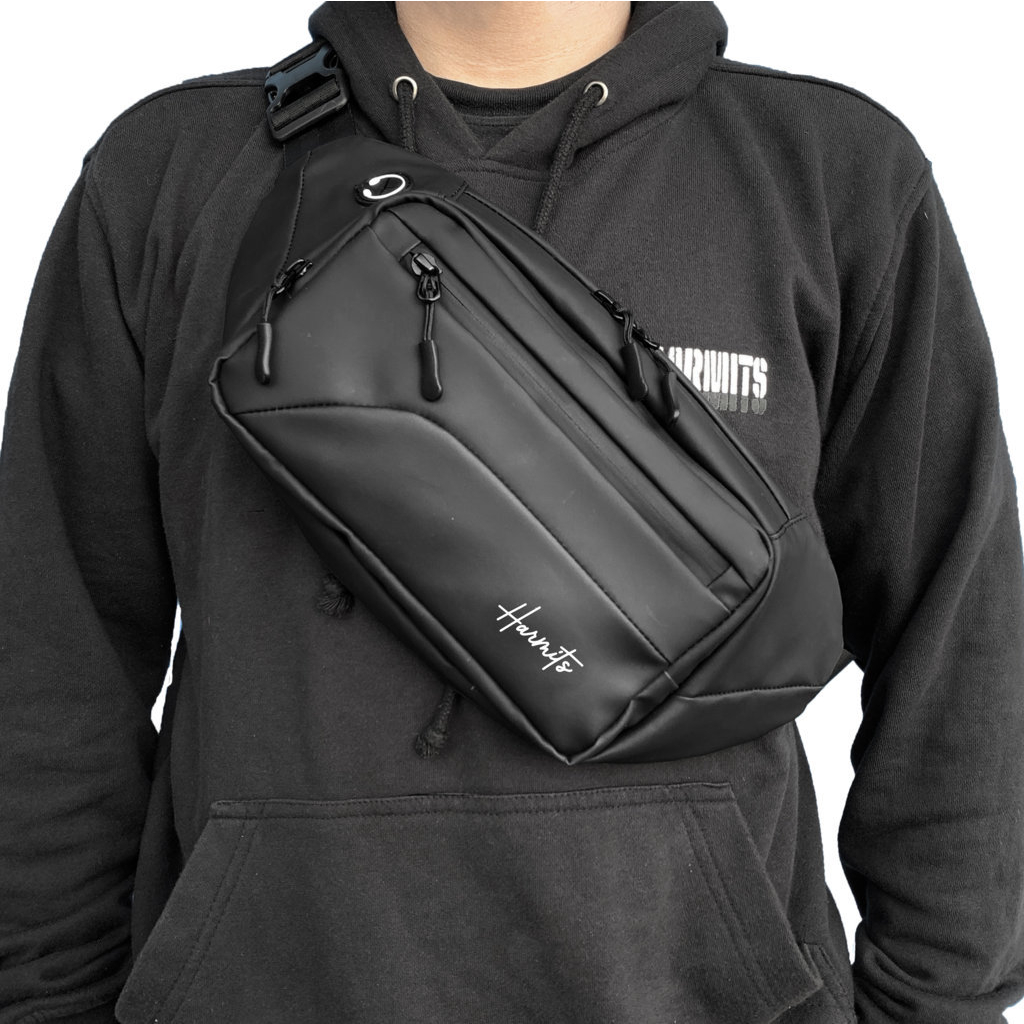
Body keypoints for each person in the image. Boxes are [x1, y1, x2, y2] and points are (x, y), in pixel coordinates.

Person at [1, 2, 1022, 1022]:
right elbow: (51, 656)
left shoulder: (831, 174)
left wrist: (938, 1004)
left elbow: (961, 638)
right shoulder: (170, 174)